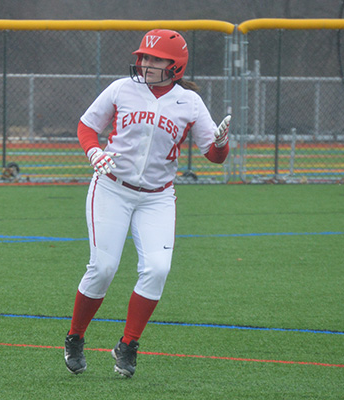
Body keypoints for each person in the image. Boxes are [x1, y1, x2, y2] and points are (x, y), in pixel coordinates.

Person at [64, 29, 230, 378]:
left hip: (157, 197)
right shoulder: (121, 88)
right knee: (104, 269)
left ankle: (128, 345)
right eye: (144, 57)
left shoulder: (190, 103)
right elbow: (86, 125)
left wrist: (222, 143)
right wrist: (93, 150)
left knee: (157, 269)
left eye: (155, 59)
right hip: (111, 188)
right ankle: (75, 336)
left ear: (176, 66)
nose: (145, 63)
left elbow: (213, 156)